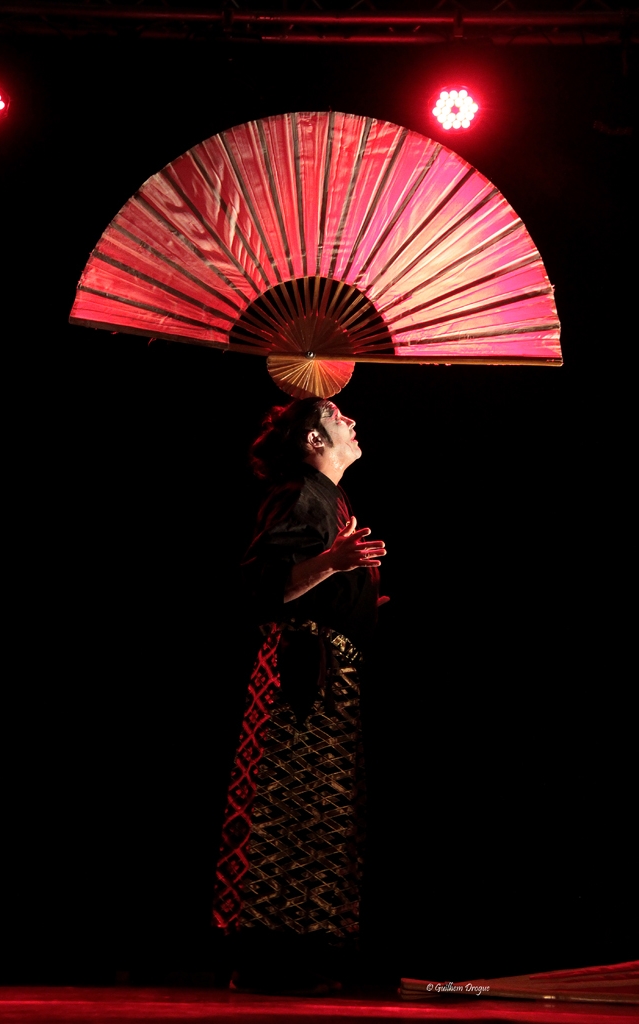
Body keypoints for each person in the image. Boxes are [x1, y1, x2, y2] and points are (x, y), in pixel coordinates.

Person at [212, 397, 386, 992]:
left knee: (321, 814)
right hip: (300, 674)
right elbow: (260, 585)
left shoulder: (331, 499)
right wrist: (333, 564)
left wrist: (356, 596)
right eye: (339, 415)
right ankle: (268, 958)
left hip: (327, 671)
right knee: (288, 812)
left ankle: (302, 955)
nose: (353, 421)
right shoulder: (300, 493)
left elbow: (315, 580)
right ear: (313, 439)